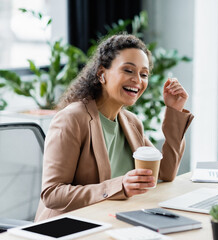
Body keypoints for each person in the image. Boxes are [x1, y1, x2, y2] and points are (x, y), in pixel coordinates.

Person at [35, 34, 194, 221]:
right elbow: (53, 194)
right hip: (71, 226)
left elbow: (165, 173)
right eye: (128, 70)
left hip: (113, 219)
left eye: (144, 74)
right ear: (102, 74)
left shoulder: (131, 122)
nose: (137, 80)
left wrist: (174, 110)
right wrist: (119, 186)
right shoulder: (72, 119)